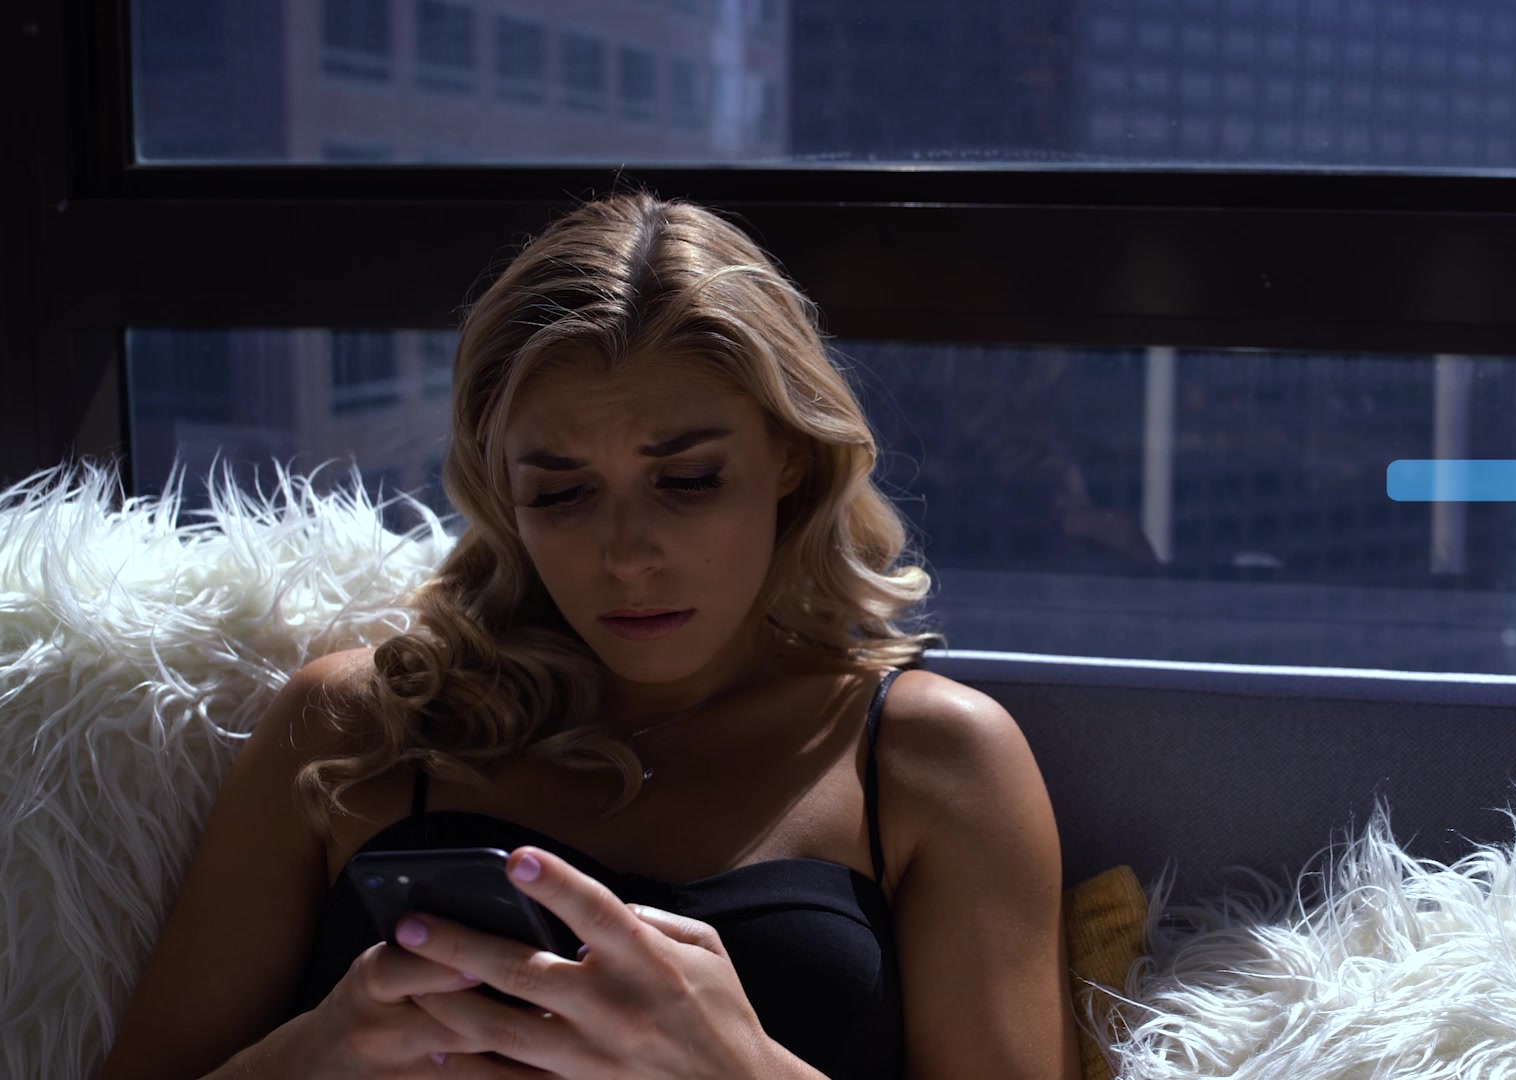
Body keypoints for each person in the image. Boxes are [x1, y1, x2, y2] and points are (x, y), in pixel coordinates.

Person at [97, 189, 1080, 1079]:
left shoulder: (931, 763)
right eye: (562, 494)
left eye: (687, 480)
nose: (628, 556)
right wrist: (316, 1056)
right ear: (504, 496)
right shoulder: (356, 729)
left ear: (789, 458)